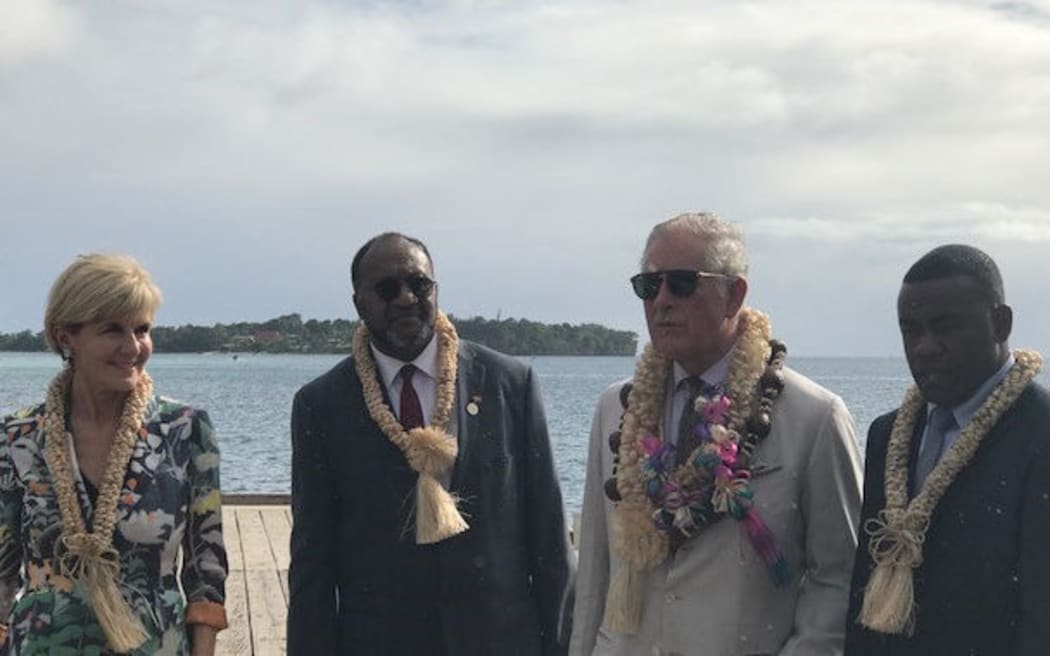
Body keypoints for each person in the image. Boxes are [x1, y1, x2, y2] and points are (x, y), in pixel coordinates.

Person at [571, 212, 863, 656]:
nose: (661, 300)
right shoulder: (617, 410)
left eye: (682, 283)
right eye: (648, 287)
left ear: (734, 294)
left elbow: (838, 577)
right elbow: (593, 569)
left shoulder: (813, 417)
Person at [287, 232, 575, 655]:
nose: (405, 298)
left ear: (435, 291)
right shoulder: (322, 405)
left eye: (419, 285)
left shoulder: (508, 386)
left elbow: (550, 540)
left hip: (501, 641)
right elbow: (312, 563)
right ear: (358, 302)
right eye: (387, 288)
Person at [0, 254, 228, 654]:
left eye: (142, 329)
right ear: (65, 336)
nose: (133, 347)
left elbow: (205, 566)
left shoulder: (184, 431)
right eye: (112, 330)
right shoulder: (17, 438)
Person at [845, 244, 1050, 655]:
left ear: (1000, 323)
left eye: (945, 326)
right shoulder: (888, 434)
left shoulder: (1040, 434)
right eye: (911, 329)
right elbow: (865, 592)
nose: (924, 346)